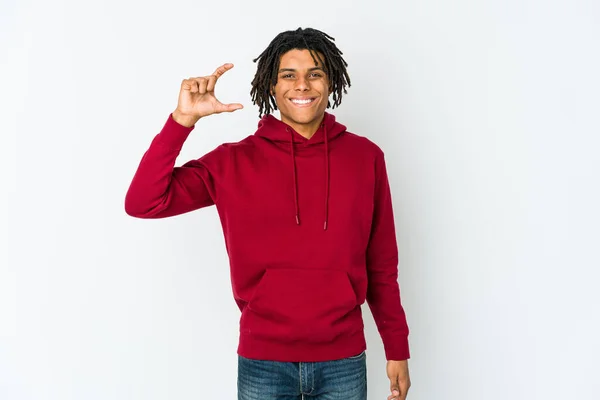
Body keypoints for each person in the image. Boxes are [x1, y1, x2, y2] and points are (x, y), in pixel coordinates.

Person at [125, 27, 411, 400]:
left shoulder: (365, 158)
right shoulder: (232, 162)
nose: (302, 85)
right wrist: (182, 121)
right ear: (271, 87)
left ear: (331, 82)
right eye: (288, 75)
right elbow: (144, 202)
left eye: (315, 73)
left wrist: (397, 347)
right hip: (263, 360)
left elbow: (381, 264)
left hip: (343, 358)